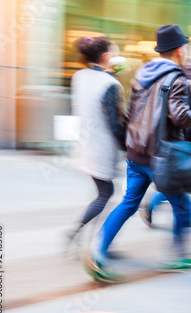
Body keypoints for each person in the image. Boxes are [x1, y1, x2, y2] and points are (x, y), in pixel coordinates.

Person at [85, 25, 191, 280]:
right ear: (179, 50)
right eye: (185, 47)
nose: (186, 51)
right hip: (159, 157)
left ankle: (95, 252)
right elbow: (179, 116)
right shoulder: (176, 77)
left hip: (136, 153)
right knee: (183, 205)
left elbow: (132, 112)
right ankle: (179, 256)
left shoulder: (143, 73)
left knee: (128, 204)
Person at [141, 41, 191, 238]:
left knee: (177, 182)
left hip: (173, 139)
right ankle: (179, 243)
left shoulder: (178, 73)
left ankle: (153, 204)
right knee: (183, 185)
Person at [69, 37, 127, 242]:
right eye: (113, 52)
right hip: (102, 149)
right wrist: (126, 147)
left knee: (104, 191)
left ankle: (87, 235)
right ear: (105, 56)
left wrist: (108, 76)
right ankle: (81, 233)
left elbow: (92, 93)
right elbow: (115, 123)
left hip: (85, 145)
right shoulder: (109, 84)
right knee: (106, 193)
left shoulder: (79, 76)